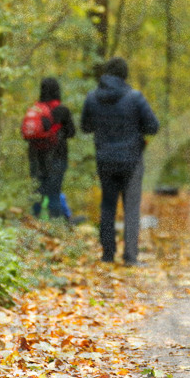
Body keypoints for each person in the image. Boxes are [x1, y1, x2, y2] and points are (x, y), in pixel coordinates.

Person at [81, 57, 159, 265]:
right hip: (132, 160)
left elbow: (85, 127)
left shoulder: (92, 98)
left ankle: (107, 255)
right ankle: (130, 257)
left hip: (105, 159)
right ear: (125, 75)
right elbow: (153, 126)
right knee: (131, 207)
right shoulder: (135, 98)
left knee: (107, 205)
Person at [27, 77, 76, 223]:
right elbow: (72, 132)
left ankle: (34, 227)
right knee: (54, 194)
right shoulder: (62, 110)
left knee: (37, 193)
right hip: (58, 157)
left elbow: (27, 134)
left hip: (36, 157)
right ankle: (56, 229)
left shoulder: (35, 110)